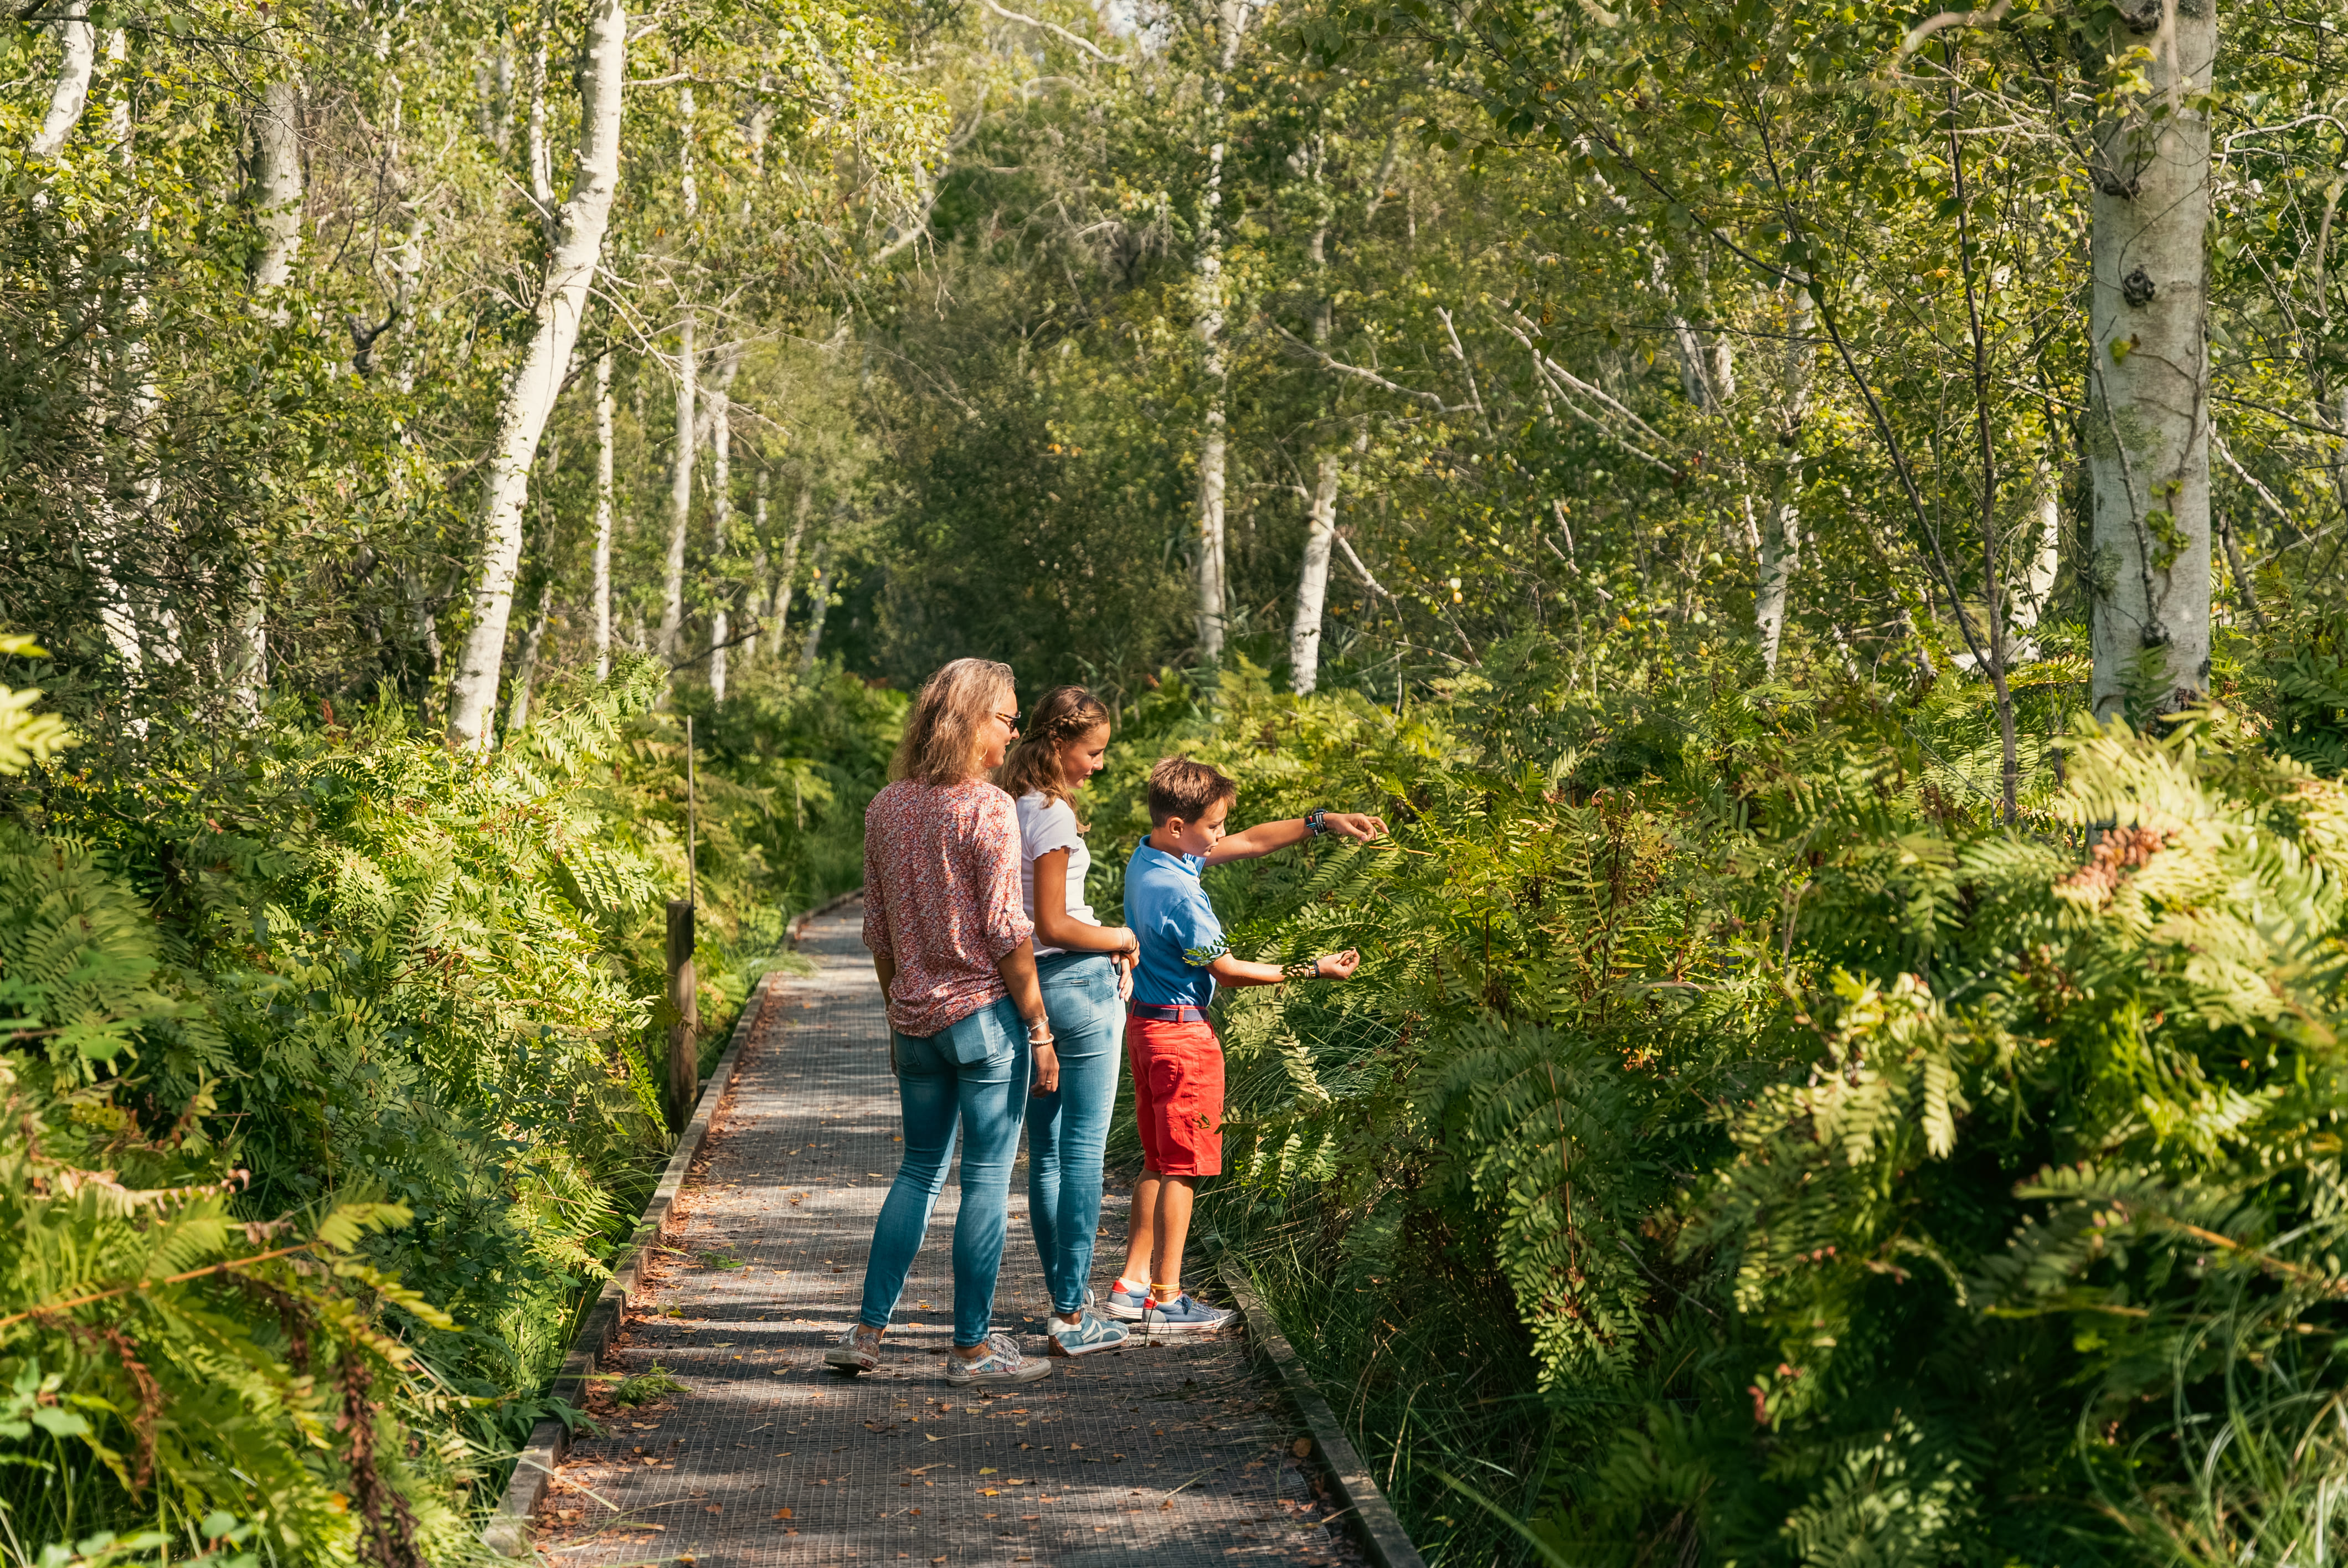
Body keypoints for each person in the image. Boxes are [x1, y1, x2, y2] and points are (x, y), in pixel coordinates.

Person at [826, 657, 1058, 1386]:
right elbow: (1005, 931)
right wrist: (1040, 1025)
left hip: (916, 1023)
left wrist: (898, 1015)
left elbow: (879, 931)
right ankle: (970, 1350)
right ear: (968, 720)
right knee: (986, 1180)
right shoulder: (988, 807)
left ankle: (867, 1334)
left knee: (919, 1171)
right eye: (1006, 717)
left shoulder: (886, 806)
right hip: (986, 1021)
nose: (1014, 731)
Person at [1110, 757, 1384, 1331]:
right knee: (1183, 1168)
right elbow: (1229, 971)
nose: (1219, 837)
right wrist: (1313, 969)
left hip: (1146, 1026)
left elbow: (1254, 841)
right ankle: (1167, 1297)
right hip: (1183, 1037)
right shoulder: (1180, 894)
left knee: (1158, 1162)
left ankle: (1131, 1286)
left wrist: (1322, 820)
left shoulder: (1151, 855)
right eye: (1212, 827)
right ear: (1180, 826)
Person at [997, 687, 1140, 1356]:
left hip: (1027, 993)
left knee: (1047, 1154)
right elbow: (1054, 924)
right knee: (1082, 1150)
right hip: (1077, 989)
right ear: (1058, 745)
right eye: (1093, 751)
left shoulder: (1005, 806)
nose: (1099, 765)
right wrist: (1119, 934)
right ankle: (1071, 1316)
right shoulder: (1050, 815)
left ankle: (1067, 1300)